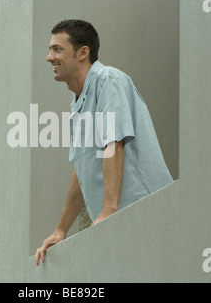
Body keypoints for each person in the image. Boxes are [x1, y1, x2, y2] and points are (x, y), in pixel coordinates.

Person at [35, 19, 173, 265]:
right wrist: (60, 230)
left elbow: (113, 143)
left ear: (83, 52)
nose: (49, 57)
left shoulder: (108, 80)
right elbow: (81, 171)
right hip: (120, 223)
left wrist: (109, 211)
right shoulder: (77, 104)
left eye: (57, 49)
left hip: (145, 215)